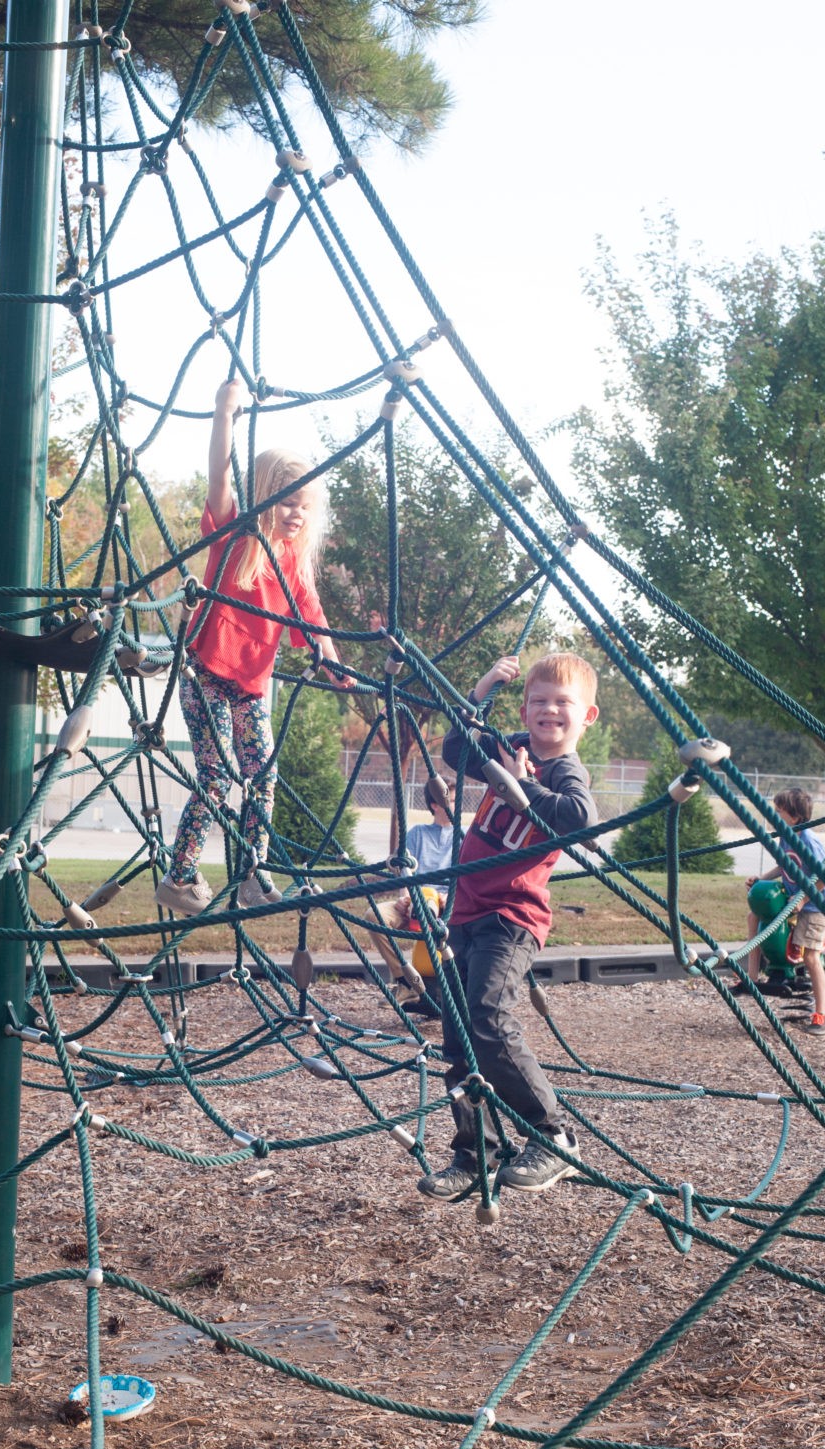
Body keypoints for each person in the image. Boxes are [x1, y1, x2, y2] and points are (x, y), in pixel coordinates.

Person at [156, 376, 352, 916]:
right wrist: (224, 412)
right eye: (287, 502)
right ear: (265, 497)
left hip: (252, 688)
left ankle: (252, 874)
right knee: (217, 776)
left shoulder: (294, 562)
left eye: (304, 507)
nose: (295, 514)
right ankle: (180, 876)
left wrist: (333, 663)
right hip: (204, 676)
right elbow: (219, 474)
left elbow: (313, 619)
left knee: (262, 776)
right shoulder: (237, 532)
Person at [418, 651, 599, 1203]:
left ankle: (554, 1138)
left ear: (586, 716)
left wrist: (525, 787)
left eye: (562, 702)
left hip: (512, 918)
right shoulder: (513, 746)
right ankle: (476, 1153)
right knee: (457, 1038)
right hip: (466, 913)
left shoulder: (565, 769)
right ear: (525, 706)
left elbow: (579, 819)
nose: (549, 711)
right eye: (539, 701)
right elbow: (455, 751)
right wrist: (481, 692)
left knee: (489, 1019)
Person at [734, 787, 825, 1035]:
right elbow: (784, 865)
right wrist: (761, 878)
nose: (774, 815)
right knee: (754, 917)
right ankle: (752, 978)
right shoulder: (785, 835)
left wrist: (802, 900)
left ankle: (821, 1014)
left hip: (815, 904)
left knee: (810, 956)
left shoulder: (809, 841)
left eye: (779, 811)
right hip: (793, 899)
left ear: (794, 816)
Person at [368, 787, 455, 1006]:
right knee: (374, 915)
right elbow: (403, 870)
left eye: (455, 800)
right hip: (415, 902)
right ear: (434, 805)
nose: (455, 805)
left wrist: (449, 897)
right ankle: (405, 981)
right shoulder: (418, 834)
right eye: (451, 800)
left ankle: (456, 986)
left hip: (447, 904)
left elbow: (468, 878)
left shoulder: (462, 836)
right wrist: (403, 896)